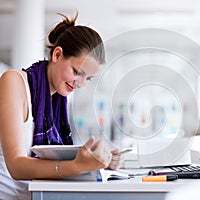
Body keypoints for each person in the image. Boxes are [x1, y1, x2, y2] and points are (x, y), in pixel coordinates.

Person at [0, 12, 121, 200]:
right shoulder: (13, 83)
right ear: (57, 54)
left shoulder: (57, 101)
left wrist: (96, 162)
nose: (80, 84)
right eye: (77, 72)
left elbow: (54, 162)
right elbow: (16, 167)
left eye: (87, 79)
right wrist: (76, 166)